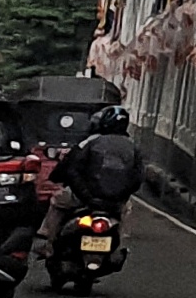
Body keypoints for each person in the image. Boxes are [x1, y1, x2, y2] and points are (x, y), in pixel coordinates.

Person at [43, 106, 145, 261]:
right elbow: (137, 178)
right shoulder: (133, 147)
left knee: (57, 201)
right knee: (127, 211)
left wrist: (85, 194)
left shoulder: (91, 142)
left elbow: (72, 168)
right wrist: (122, 196)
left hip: (85, 198)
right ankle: (120, 249)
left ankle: (49, 245)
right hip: (115, 203)